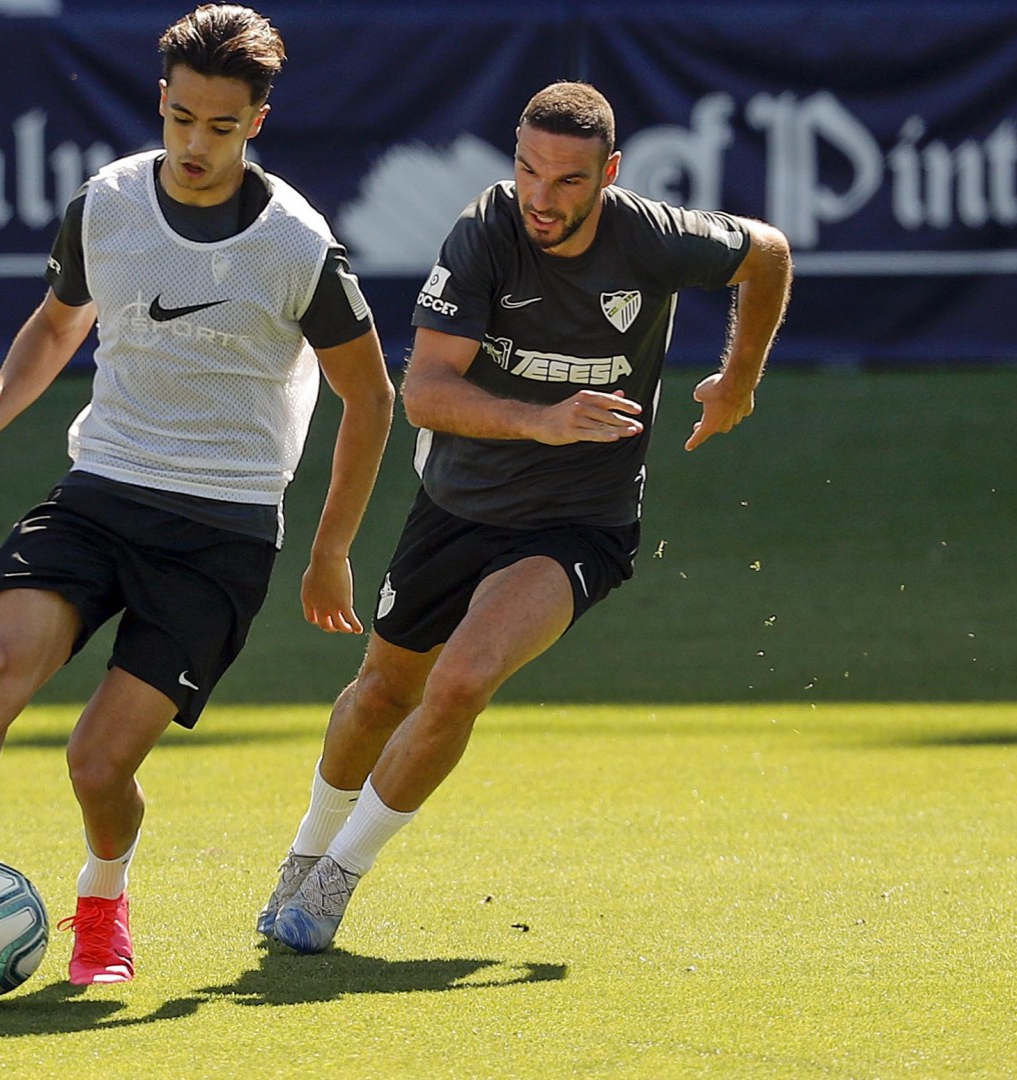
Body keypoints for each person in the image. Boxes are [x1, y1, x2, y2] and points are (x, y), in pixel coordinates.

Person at [0, 3, 394, 986]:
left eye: (222, 127)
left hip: (220, 532)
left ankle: (102, 902)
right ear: (161, 101)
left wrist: (328, 550)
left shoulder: (294, 245)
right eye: (182, 118)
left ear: (257, 126)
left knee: (97, 764)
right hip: (102, 488)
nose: (196, 144)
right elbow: (59, 325)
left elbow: (371, 397)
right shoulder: (107, 203)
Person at [258, 80, 793, 954]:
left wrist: (739, 380)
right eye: (529, 172)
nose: (542, 199)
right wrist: (543, 421)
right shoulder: (484, 234)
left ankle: (334, 882)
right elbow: (425, 392)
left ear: (609, 174)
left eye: (569, 181)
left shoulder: (651, 238)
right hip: (457, 506)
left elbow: (766, 252)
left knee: (463, 680)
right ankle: (304, 853)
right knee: (381, 694)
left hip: (579, 522)